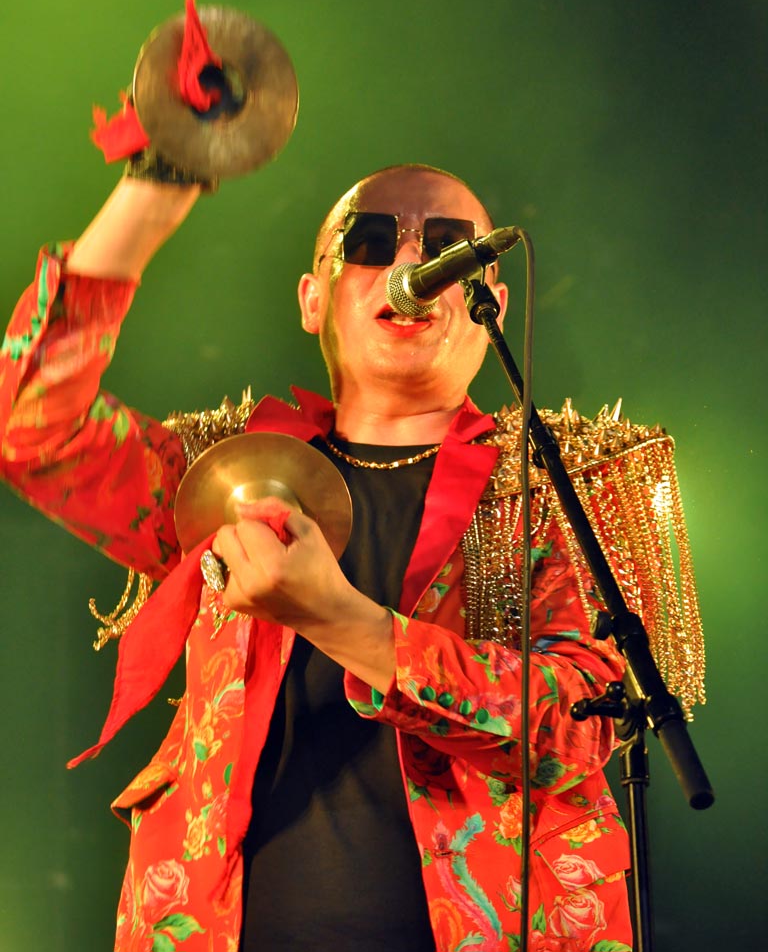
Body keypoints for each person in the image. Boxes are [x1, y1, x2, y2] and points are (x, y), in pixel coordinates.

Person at [1, 162, 653, 952]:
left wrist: (337, 618)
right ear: (313, 300)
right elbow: (36, 428)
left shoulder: (563, 481)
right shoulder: (224, 475)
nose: (411, 263)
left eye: (448, 246)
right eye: (371, 241)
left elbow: (577, 729)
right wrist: (159, 183)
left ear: (493, 303)